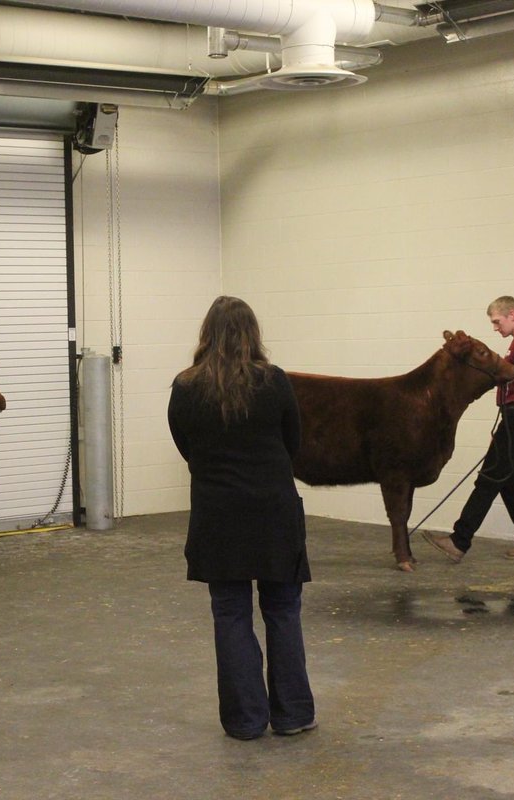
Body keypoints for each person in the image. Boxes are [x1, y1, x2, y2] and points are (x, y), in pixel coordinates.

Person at [167, 296, 316, 741]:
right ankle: (292, 715)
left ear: (206, 333)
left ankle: (245, 721)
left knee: (230, 615)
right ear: (253, 333)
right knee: (284, 611)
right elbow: (294, 443)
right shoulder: (276, 382)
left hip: (219, 517)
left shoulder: (185, 387)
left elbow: (186, 445)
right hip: (274, 512)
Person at [423, 295, 514, 563]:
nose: (495, 328)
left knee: (488, 480)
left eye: (497, 321)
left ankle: (459, 541)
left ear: (511, 315)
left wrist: (507, 368)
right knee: (510, 483)